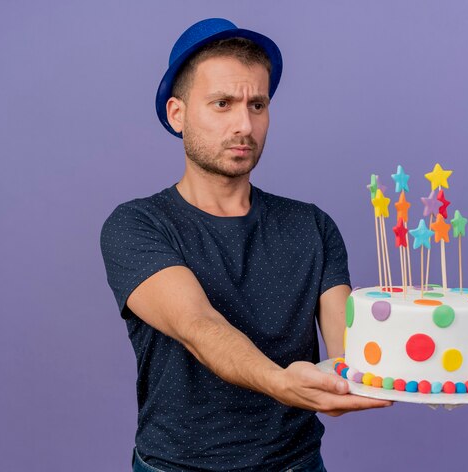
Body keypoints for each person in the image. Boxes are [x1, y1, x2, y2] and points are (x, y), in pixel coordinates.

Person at [100, 18, 392, 472]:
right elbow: (198, 326)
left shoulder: (311, 226)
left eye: (258, 104)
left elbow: (345, 369)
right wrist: (280, 382)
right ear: (178, 115)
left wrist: (417, 370)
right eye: (222, 103)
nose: (244, 124)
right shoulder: (138, 225)